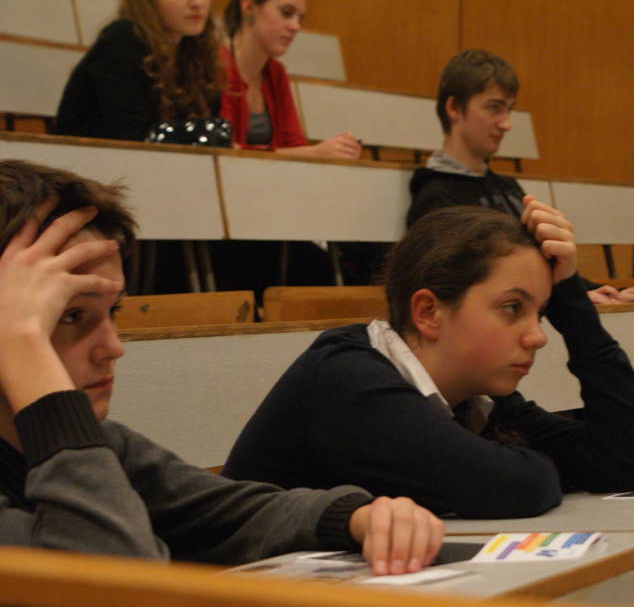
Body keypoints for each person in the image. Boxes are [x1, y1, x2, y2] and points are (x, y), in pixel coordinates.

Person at [0, 160, 443, 575]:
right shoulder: (74, 439)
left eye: (113, 311)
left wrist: (357, 517)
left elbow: (228, 514)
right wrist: (36, 370)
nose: (113, 347)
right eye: (70, 315)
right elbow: (121, 584)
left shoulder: (103, 443)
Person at [223, 199, 634, 519]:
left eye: (542, 312)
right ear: (428, 312)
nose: (537, 337)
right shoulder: (347, 380)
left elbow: (633, 464)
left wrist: (571, 298)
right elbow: (514, 488)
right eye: (512, 307)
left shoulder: (479, 400)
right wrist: (539, 465)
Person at [407, 48, 634, 305]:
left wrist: (609, 293)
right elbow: (465, 295)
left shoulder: (508, 186)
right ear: (454, 108)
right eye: (494, 107)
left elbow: (545, 267)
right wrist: (572, 300)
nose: (506, 123)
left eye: (509, 109)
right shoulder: (436, 197)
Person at [56, 0, 224, 141]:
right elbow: (128, 135)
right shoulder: (123, 39)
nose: (197, 3)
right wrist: (210, 133)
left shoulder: (196, 54)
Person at [220, 0, 361, 158]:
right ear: (248, 7)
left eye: (300, 19)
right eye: (286, 13)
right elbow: (221, 149)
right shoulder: (216, 67)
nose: (296, 27)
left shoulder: (276, 73)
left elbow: (294, 145)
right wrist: (316, 152)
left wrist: (338, 150)